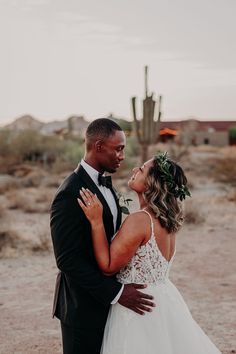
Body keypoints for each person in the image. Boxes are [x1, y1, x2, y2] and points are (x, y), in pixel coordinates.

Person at [78, 152, 222, 354]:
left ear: (152, 183)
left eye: (142, 169)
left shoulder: (141, 220)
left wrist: (96, 222)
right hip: (163, 301)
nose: (135, 170)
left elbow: (108, 267)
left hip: (138, 307)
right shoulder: (167, 221)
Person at [50, 118, 155, 354]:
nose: (122, 155)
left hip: (109, 306)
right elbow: (66, 259)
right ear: (98, 146)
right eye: (118, 148)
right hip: (82, 307)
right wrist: (117, 293)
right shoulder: (69, 193)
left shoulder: (109, 186)